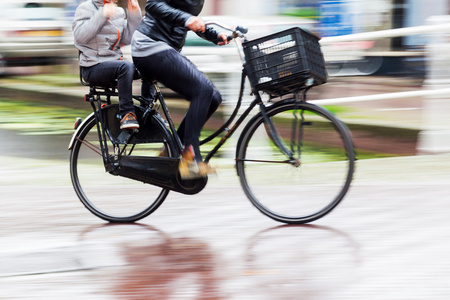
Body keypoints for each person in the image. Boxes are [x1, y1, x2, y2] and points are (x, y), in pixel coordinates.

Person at [131, 0, 230, 179]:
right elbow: (153, 4)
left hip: (168, 49)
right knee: (203, 90)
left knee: (213, 98)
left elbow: (189, 20)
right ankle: (190, 158)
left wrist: (214, 35)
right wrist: (187, 19)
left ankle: (171, 149)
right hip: (150, 45)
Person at [73, 0, 150, 129]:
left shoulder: (118, 11)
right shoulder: (85, 8)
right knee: (125, 67)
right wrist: (102, 14)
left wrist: (133, 14)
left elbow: (127, 38)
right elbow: (79, 37)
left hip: (115, 64)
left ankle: (146, 113)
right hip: (92, 66)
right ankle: (127, 114)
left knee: (150, 67)